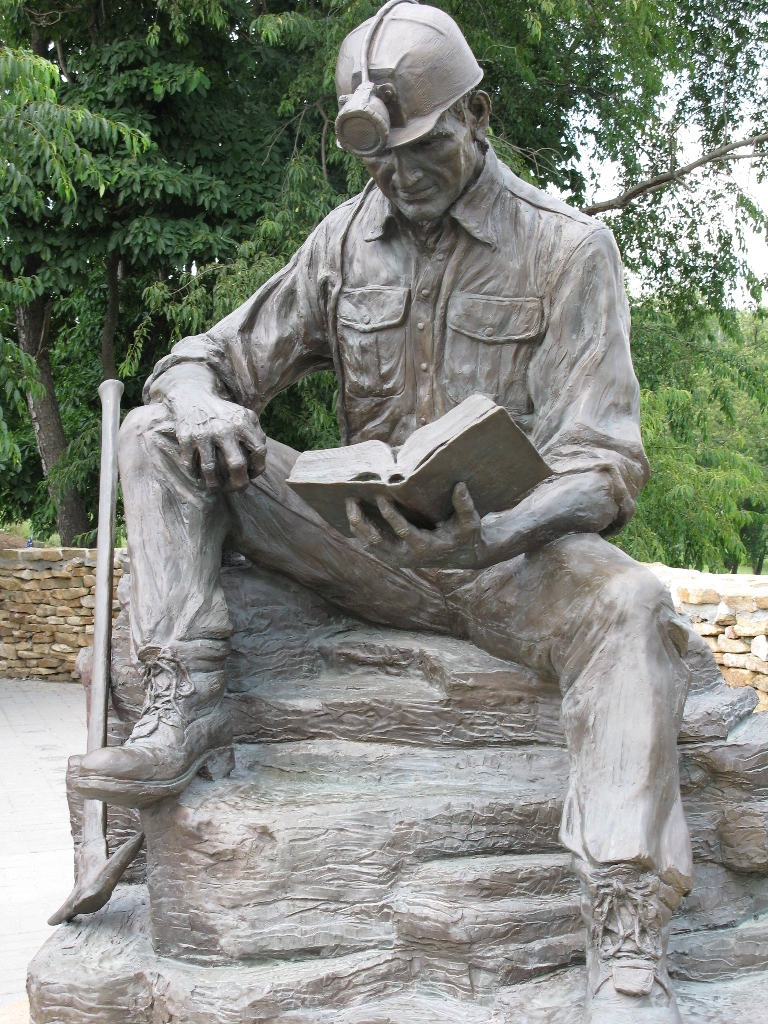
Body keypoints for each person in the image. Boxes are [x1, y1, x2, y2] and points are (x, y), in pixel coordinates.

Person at [76, 4, 693, 1020]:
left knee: (631, 609)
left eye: (421, 152)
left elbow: (609, 466)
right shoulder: (344, 239)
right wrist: (201, 400)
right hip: (356, 545)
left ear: (479, 116)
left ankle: (627, 944)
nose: (398, 181)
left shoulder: (569, 248)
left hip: (509, 562)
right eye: (380, 163)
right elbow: (204, 355)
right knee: (155, 433)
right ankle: (184, 698)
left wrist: (503, 528)